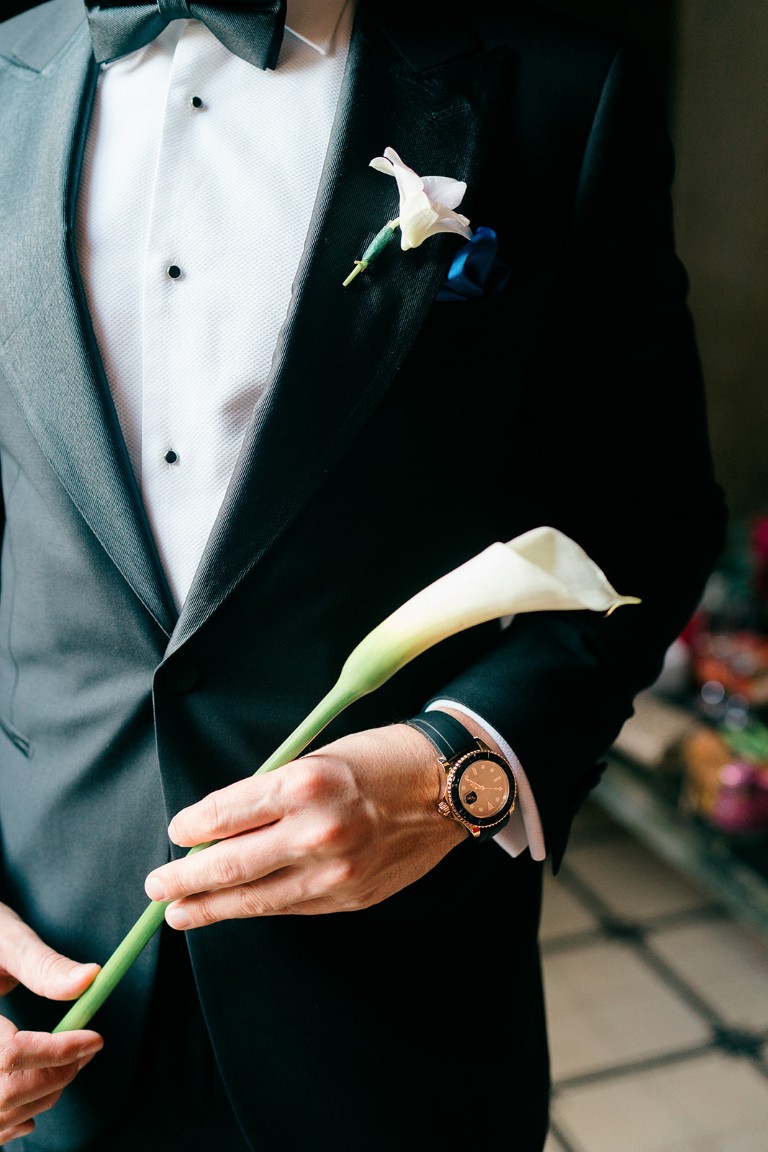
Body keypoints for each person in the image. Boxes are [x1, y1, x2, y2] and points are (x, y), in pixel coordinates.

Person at [0, 0, 727, 1148]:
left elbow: (645, 519)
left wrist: (456, 768)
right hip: (43, 1003)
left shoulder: (561, 96)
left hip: (390, 1014)